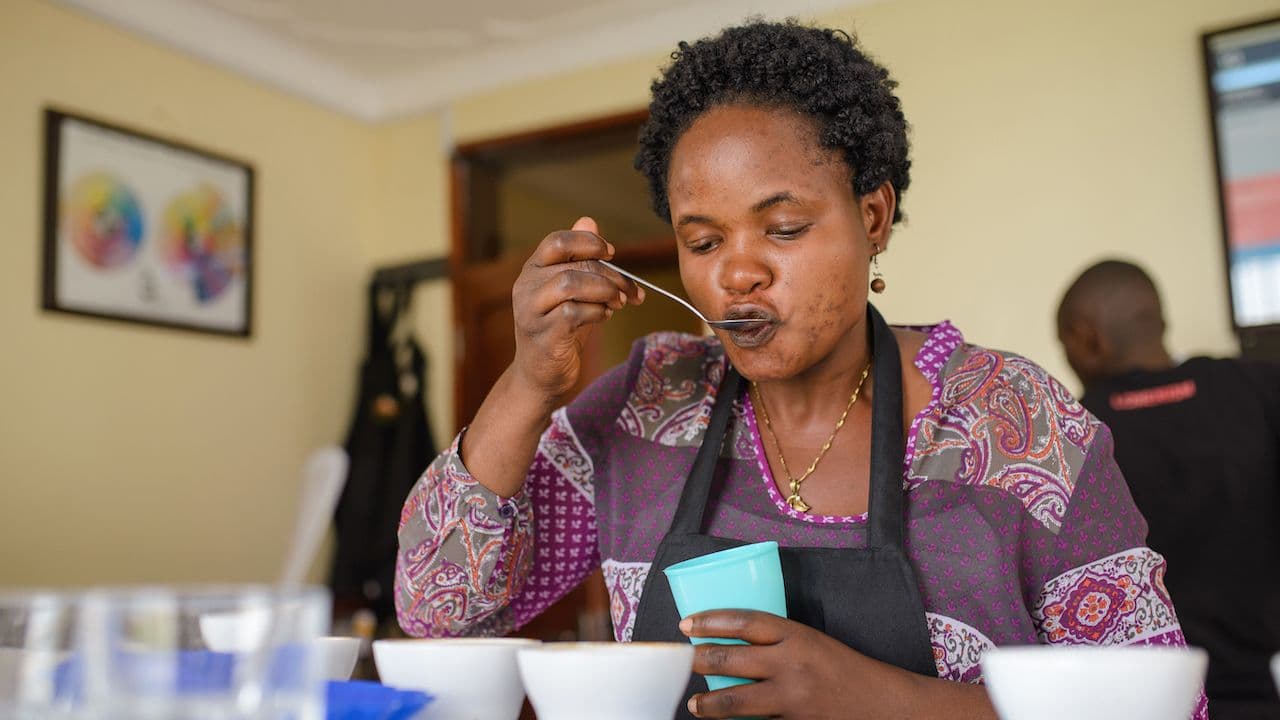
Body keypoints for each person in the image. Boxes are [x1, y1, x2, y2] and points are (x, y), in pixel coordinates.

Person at [396, 21, 1208, 720]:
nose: (736, 274)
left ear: (873, 215)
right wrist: (529, 382)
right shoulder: (648, 404)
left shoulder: (1019, 425)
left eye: (782, 228)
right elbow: (440, 615)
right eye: (703, 242)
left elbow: (1158, 703)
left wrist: (876, 696)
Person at [1057, 259, 1280, 720]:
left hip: (1151, 703)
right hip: (1268, 691)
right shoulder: (1260, 390)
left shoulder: (1072, 436)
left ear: (1087, 336)